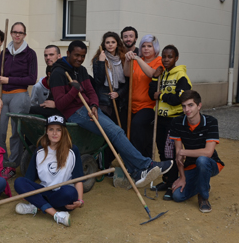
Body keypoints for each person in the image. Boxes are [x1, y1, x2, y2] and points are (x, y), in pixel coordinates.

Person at [49, 40, 172, 188]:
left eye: (82, 56)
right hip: (75, 112)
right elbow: (61, 104)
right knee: (116, 132)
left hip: (89, 109)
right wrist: (74, 90)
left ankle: (136, 170)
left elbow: (91, 91)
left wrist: (94, 104)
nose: (79, 59)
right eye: (76, 55)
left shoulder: (80, 70)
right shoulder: (58, 73)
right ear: (68, 54)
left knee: (116, 133)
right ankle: (145, 165)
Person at [13, 115, 83, 227]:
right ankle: (56, 214)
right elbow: (28, 179)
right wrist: (24, 191)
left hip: (62, 197)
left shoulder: (72, 150)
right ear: (46, 131)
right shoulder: (40, 151)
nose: (54, 133)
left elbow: (79, 179)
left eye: (58, 130)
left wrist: (80, 201)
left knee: (70, 192)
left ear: (63, 132)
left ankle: (37, 206)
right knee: (19, 182)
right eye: (51, 129)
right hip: (44, 191)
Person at [0, 22, 37, 178]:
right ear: (11, 34)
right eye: (15, 32)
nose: (17, 35)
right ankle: (1, 163)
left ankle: (12, 165)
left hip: (20, 94)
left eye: (21, 32)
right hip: (2, 96)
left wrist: (9, 80)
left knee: (16, 132)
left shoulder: (30, 54)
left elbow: (32, 78)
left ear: (24, 35)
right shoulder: (5, 53)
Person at [148, 45, 192, 200]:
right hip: (160, 118)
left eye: (170, 57)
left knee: (170, 153)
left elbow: (178, 99)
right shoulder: (162, 73)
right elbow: (151, 94)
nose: (166, 60)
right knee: (162, 151)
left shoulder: (181, 76)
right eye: (164, 57)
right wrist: (155, 76)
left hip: (174, 120)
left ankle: (173, 183)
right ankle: (167, 181)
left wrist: (161, 96)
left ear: (176, 58)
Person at [169, 90, 224, 213]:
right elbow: (178, 154)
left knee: (202, 160)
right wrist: (182, 177)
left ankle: (203, 197)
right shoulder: (177, 122)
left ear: (199, 106)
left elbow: (208, 153)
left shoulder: (211, 122)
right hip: (190, 166)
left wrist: (184, 152)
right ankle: (203, 184)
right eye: (184, 106)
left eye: (190, 105)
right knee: (178, 196)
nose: (186, 109)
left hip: (211, 164)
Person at [91, 31, 128, 174]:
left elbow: (128, 82)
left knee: (120, 132)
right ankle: (103, 163)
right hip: (105, 102)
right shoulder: (98, 58)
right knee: (108, 133)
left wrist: (119, 93)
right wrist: (101, 61)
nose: (110, 45)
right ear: (103, 44)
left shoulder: (123, 59)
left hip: (120, 101)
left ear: (117, 43)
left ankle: (107, 160)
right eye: (107, 42)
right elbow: (99, 81)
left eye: (113, 42)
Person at [124, 34, 163, 158]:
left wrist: (138, 59)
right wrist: (127, 60)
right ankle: (140, 160)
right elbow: (127, 73)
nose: (146, 49)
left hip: (149, 106)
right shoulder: (136, 61)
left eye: (149, 46)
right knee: (137, 133)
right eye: (144, 46)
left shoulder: (159, 61)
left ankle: (138, 159)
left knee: (137, 127)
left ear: (155, 48)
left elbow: (152, 74)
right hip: (133, 105)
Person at [29, 45, 63, 118]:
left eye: (51, 55)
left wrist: (56, 104)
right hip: (56, 107)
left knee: (30, 111)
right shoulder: (53, 71)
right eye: (46, 55)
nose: (48, 58)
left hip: (65, 110)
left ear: (59, 56)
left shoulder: (62, 71)